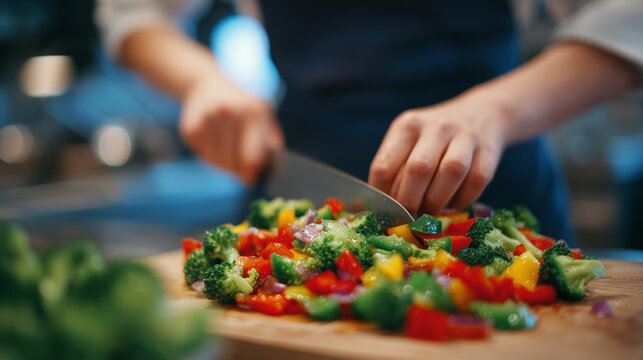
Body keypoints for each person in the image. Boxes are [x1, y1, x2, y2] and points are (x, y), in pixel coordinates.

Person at [96, 0, 642, 243]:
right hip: (301, 179)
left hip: (491, 182)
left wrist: (495, 110)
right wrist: (202, 81)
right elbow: (134, 13)